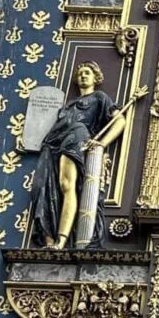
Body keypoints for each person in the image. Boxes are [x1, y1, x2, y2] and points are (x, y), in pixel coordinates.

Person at [31, 61, 118, 250]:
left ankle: (61, 240)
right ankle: (49, 237)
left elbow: (120, 121)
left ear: (96, 78)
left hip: (76, 137)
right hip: (53, 145)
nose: (83, 76)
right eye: (80, 73)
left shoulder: (99, 98)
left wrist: (103, 143)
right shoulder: (69, 105)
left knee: (66, 185)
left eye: (87, 73)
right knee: (44, 188)